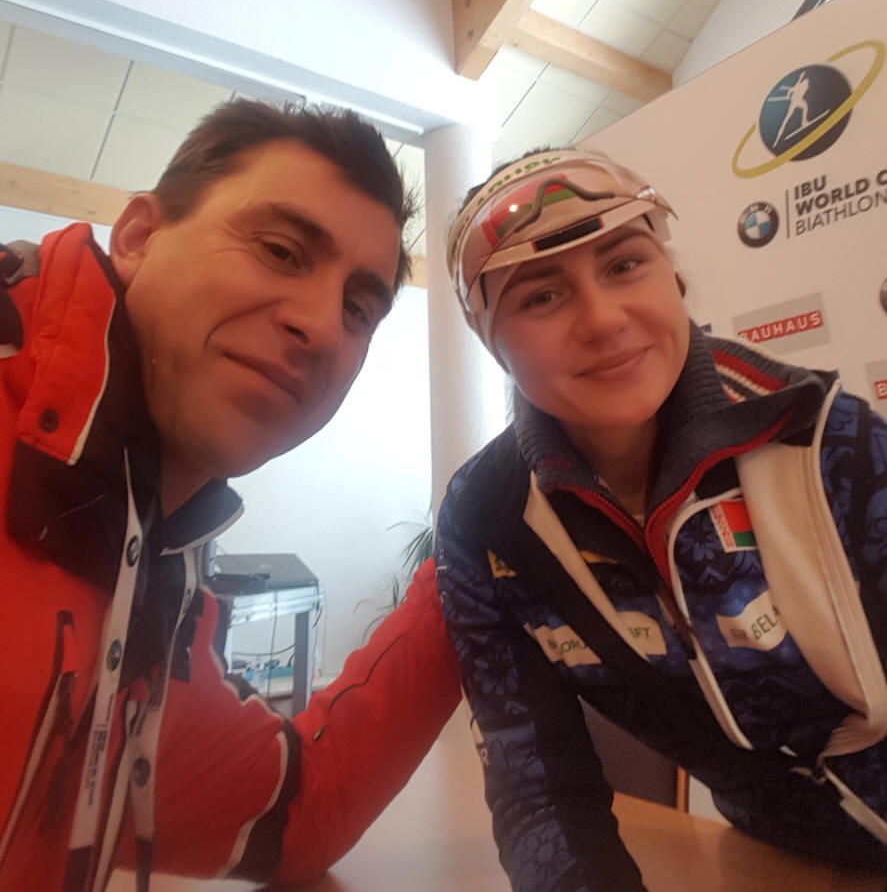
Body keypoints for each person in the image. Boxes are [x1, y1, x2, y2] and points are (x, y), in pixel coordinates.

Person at [0, 98, 461, 892]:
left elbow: (293, 810)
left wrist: (477, 554)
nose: (323, 327)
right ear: (138, 236)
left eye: (358, 308)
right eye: (279, 250)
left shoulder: (143, 596)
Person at [436, 147, 887, 891]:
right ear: (494, 344)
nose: (603, 319)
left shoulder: (824, 436)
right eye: (541, 296)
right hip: (779, 858)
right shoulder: (485, 522)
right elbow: (539, 784)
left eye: (624, 264)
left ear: (671, 277)